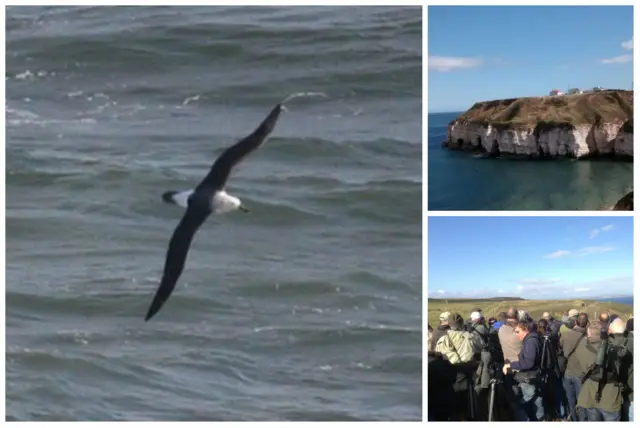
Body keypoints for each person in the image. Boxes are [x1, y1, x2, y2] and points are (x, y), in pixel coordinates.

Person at [578, 318, 633, 421]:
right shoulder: (616, 347)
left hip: (590, 394)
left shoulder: (582, 346)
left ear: (588, 332)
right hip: (610, 396)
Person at [503, 320, 544, 421]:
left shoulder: (530, 341)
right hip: (534, 376)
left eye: (518, 332)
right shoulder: (531, 339)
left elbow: (528, 363)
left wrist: (510, 365)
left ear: (525, 329)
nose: (517, 335)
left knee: (523, 403)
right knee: (537, 400)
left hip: (530, 376)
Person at [559, 312, 589, 421]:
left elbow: (560, 351)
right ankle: (582, 421)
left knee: (570, 401)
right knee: (581, 401)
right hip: (581, 374)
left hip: (567, 372)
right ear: (587, 324)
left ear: (575, 322)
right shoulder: (588, 338)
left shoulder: (565, 335)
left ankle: (574, 420)